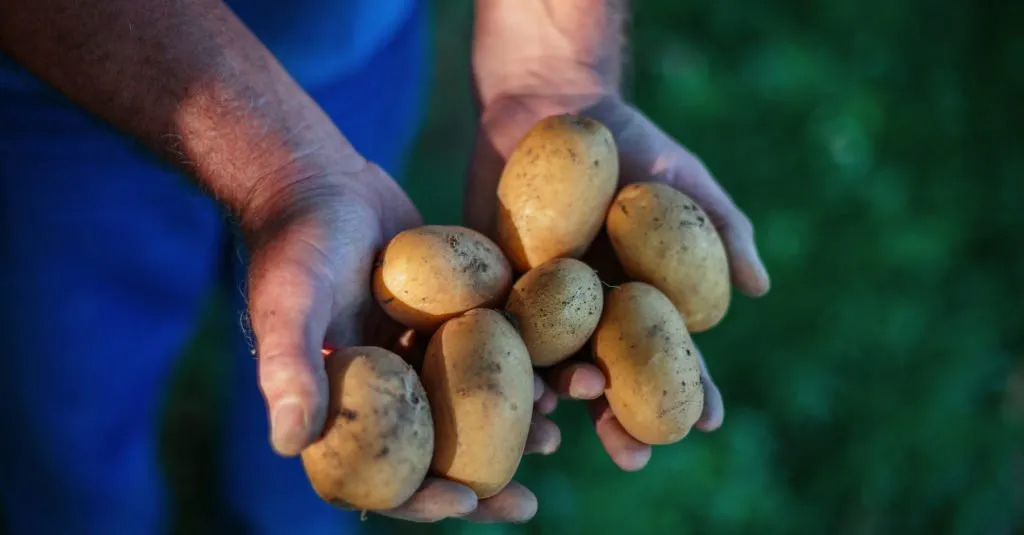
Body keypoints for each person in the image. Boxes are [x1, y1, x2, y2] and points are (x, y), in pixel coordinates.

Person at [0, 0, 770, 532]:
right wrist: (281, 171)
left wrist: (553, 64)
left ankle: (289, 517)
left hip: (350, 49)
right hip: (61, 101)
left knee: (322, 416)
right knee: (68, 409)